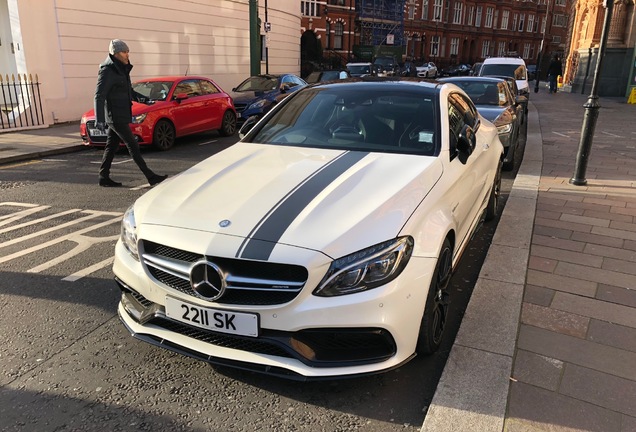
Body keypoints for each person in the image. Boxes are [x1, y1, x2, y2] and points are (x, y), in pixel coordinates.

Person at [94, 39, 167, 187]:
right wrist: (99, 119)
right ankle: (150, 176)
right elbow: (99, 95)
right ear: (115, 53)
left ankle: (103, 176)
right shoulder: (107, 70)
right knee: (132, 144)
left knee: (111, 146)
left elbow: (128, 91)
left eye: (128, 51)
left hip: (122, 113)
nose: (127, 55)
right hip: (115, 116)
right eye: (124, 52)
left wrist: (144, 99)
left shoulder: (122, 68)